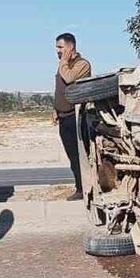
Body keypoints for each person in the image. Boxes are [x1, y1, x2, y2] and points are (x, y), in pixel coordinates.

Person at [53, 32, 92, 201]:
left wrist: (63, 62)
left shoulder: (82, 64)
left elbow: (69, 79)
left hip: (76, 117)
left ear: (70, 47)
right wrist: (55, 109)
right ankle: (80, 186)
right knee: (71, 155)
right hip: (63, 116)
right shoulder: (64, 65)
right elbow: (60, 89)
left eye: (60, 47)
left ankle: (85, 188)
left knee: (79, 155)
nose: (58, 51)